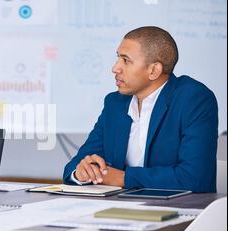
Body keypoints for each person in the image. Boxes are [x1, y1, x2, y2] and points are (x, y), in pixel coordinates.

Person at [63, 26, 218, 193]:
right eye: (118, 58)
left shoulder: (194, 99)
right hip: (120, 210)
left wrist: (122, 178)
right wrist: (82, 172)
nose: (115, 68)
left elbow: (194, 177)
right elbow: (74, 165)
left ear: (153, 70)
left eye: (126, 60)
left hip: (179, 210)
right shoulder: (114, 103)